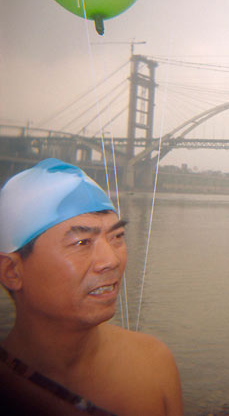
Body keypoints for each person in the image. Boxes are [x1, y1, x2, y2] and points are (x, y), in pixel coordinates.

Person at [0, 159, 183, 416]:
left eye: (117, 237)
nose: (111, 260)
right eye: (82, 242)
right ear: (12, 272)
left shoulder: (154, 363)